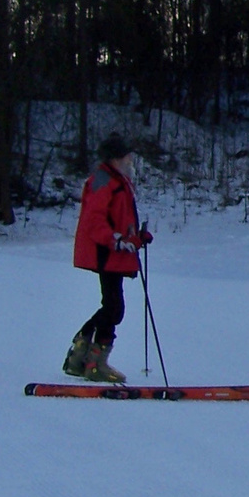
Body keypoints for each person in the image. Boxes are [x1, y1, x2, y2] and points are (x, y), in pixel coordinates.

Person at [64, 134, 152, 383]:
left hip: (113, 252)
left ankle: (83, 356)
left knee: (112, 307)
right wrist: (116, 240)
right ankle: (92, 360)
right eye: (126, 155)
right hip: (106, 253)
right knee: (114, 308)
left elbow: (118, 217)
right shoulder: (105, 180)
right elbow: (94, 220)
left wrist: (136, 236)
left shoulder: (116, 179)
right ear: (116, 158)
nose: (130, 159)